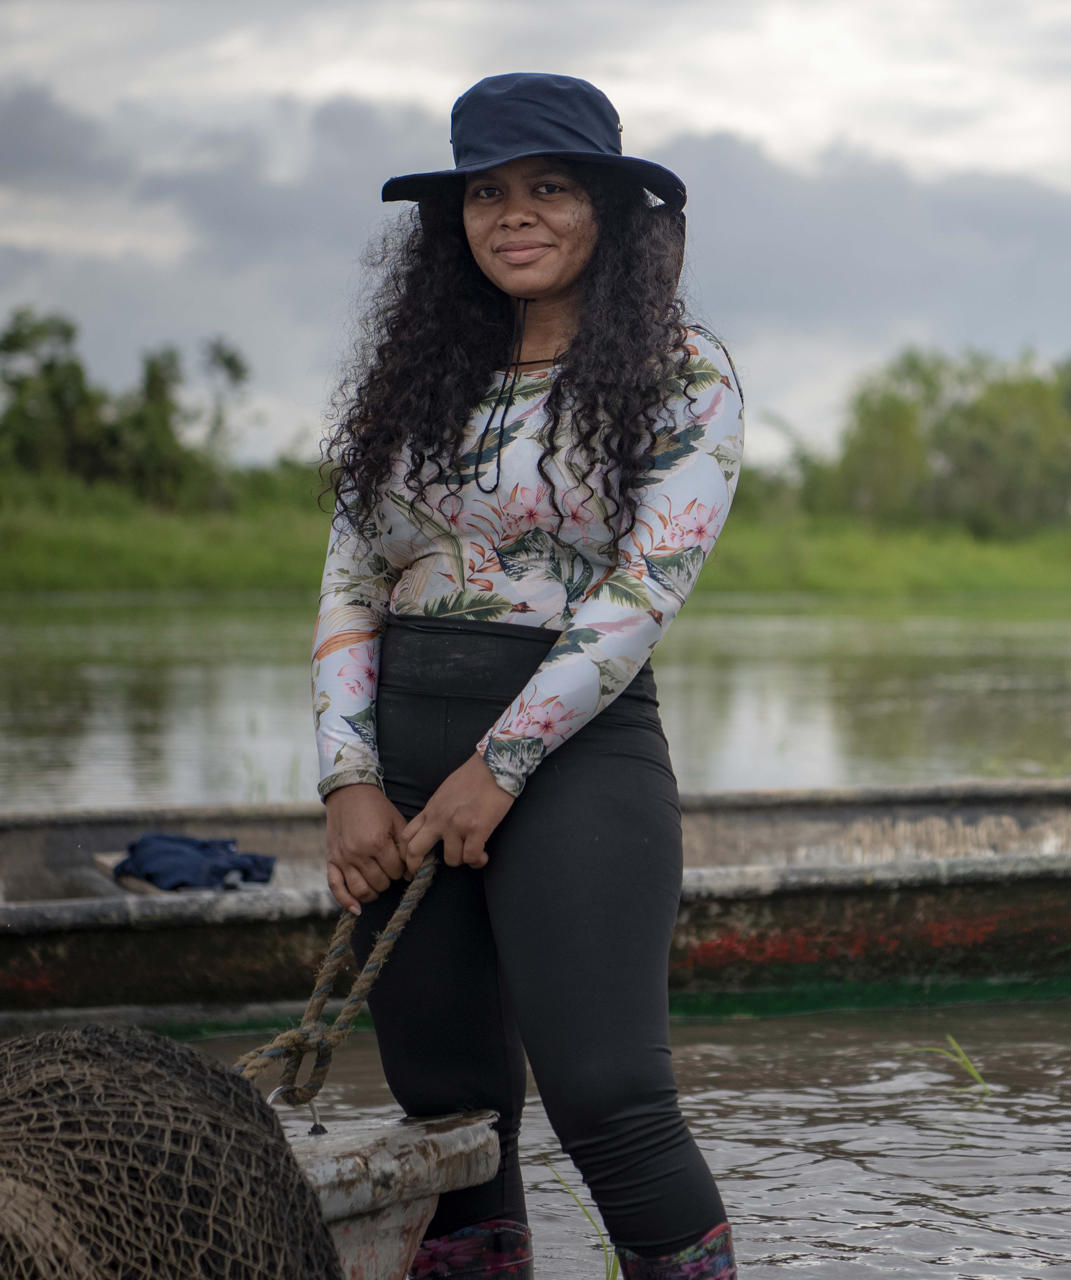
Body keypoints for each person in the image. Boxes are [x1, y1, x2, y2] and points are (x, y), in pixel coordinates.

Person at [311, 72, 741, 1280]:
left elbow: (642, 592)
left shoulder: (682, 373)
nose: (514, 213)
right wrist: (348, 779)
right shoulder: (416, 384)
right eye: (487, 192)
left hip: (573, 753)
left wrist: (498, 765)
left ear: (607, 205)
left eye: (548, 187)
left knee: (609, 1091)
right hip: (398, 757)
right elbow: (351, 580)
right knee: (450, 1109)